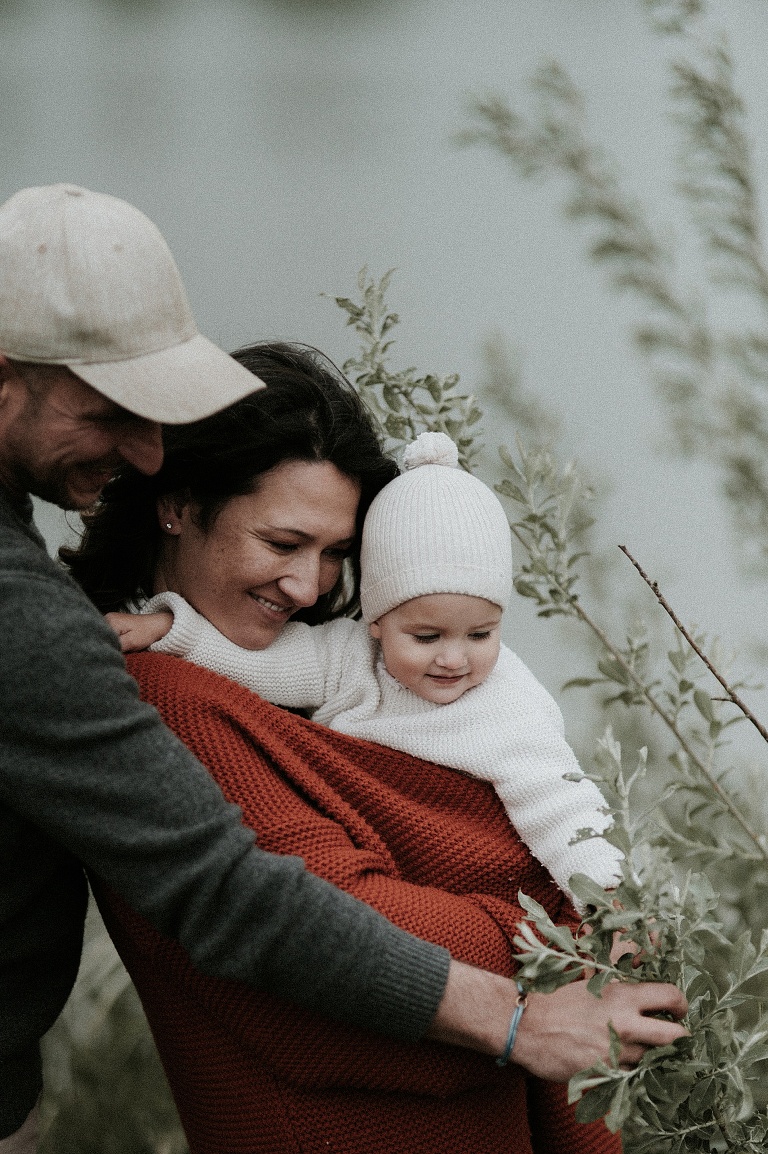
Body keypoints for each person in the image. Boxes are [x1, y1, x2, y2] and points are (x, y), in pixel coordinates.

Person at [0, 184, 583, 1152]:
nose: (146, 452)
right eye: (112, 411)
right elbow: (232, 893)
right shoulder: (83, 648)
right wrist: (525, 1006)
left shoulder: (139, 641)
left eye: (337, 556)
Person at [63, 340, 689, 1152]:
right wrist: (556, 921)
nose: (309, 586)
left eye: (337, 555)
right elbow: (331, 919)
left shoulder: (321, 678)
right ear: (177, 504)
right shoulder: (161, 697)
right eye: (283, 543)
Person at [113, 429, 622, 906]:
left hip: (473, 894)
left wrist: (609, 905)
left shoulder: (508, 701)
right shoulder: (348, 657)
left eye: (481, 634)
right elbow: (254, 664)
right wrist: (167, 630)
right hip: (373, 881)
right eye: (426, 636)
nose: (454, 658)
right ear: (377, 623)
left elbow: (563, 808)